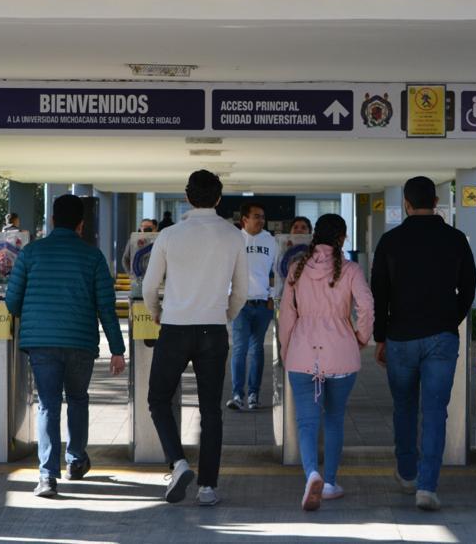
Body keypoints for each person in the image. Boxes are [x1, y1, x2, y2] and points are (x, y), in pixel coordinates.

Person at [5, 194, 126, 499]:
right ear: (81, 225)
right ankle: (75, 460)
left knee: (48, 404)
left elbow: (12, 302)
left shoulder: (30, 253)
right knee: (78, 399)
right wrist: (117, 349)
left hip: (41, 343)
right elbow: (106, 307)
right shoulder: (93, 257)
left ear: (52, 221)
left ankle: (47, 476)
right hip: (80, 342)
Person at [142, 170, 248, 507]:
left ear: (187, 197)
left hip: (174, 327)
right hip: (213, 330)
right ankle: (208, 488)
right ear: (219, 198)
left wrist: (156, 311)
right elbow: (241, 290)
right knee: (211, 410)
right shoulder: (233, 235)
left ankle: (178, 463)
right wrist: (225, 315)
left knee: (158, 399)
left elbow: (149, 285)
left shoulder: (169, 235)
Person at [371, 176, 476, 511]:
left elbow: (379, 292)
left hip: (400, 336)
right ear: (435, 202)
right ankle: (427, 487)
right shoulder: (455, 239)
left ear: (406, 203)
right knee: (434, 411)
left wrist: (380, 336)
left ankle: (407, 473)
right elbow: (469, 285)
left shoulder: (391, 241)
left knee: (404, 407)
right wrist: (451, 318)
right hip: (441, 336)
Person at [278, 214, 374, 511]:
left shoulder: (296, 269)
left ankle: (312, 474)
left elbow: (286, 316)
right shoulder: (351, 270)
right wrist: (361, 338)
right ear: (342, 238)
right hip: (341, 353)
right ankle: (330, 482)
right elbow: (367, 306)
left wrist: (287, 351)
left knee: (306, 422)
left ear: (314, 236)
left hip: (302, 354)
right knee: (334, 418)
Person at [227, 202, 277, 411]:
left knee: (257, 349)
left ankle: (254, 395)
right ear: (244, 219)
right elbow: (225, 270)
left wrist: (272, 295)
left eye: (263, 216)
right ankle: (237, 395)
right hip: (240, 303)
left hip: (263, 304)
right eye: (256, 216)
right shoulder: (233, 240)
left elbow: (275, 271)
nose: (261, 220)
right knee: (240, 348)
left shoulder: (271, 241)